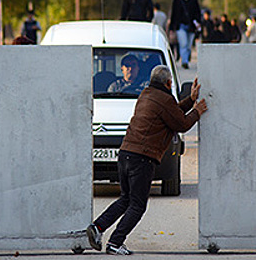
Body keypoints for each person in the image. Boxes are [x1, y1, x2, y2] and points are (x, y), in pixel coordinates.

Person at [86, 65, 208, 255]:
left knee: (126, 198)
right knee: (138, 205)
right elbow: (181, 123)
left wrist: (191, 101)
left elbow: (172, 112)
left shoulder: (146, 94)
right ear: (168, 83)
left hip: (125, 153)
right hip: (142, 159)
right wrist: (197, 111)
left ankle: (98, 227)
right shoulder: (165, 99)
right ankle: (115, 243)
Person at [170, 0, 201, 69]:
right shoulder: (177, 1)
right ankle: (184, 61)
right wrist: (172, 27)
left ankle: (186, 58)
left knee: (189, 45)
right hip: (181, 26)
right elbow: (173, 14)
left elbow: (197, 13)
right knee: (183, 43)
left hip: (191, 26)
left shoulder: (193, 0)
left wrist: (198, 23)